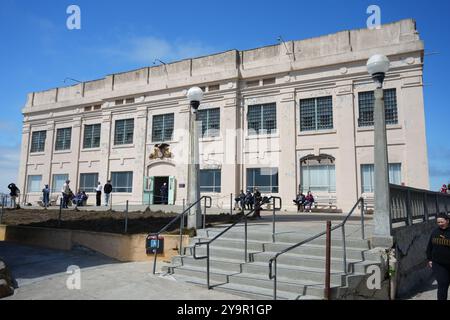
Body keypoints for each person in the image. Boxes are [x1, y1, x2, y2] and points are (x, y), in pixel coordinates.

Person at [426, 213, 450, 300]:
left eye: (442, 222)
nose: (440, 224)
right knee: (443, 284)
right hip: (438, 264)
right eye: (438, 222)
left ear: (447, 221)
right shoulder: (435, 232)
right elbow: (430, 246)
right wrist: (429, 259)